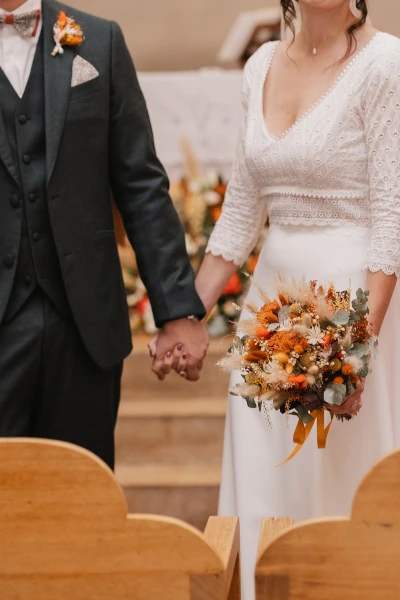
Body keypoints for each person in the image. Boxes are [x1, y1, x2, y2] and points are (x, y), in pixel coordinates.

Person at [158, 0, 400, 598]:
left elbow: (392, 216)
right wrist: (187, 315)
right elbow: (241, 212)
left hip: (352, 308)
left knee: (339, 481)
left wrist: (356, 353)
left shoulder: (386, 64)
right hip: (271, 309)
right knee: (267, 473)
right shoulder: (260, 65)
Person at [0, 0, 209, 470]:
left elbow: (141, 185)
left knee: (82, 505)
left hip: (83, 329)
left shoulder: (99, 41)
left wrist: (177, 311)